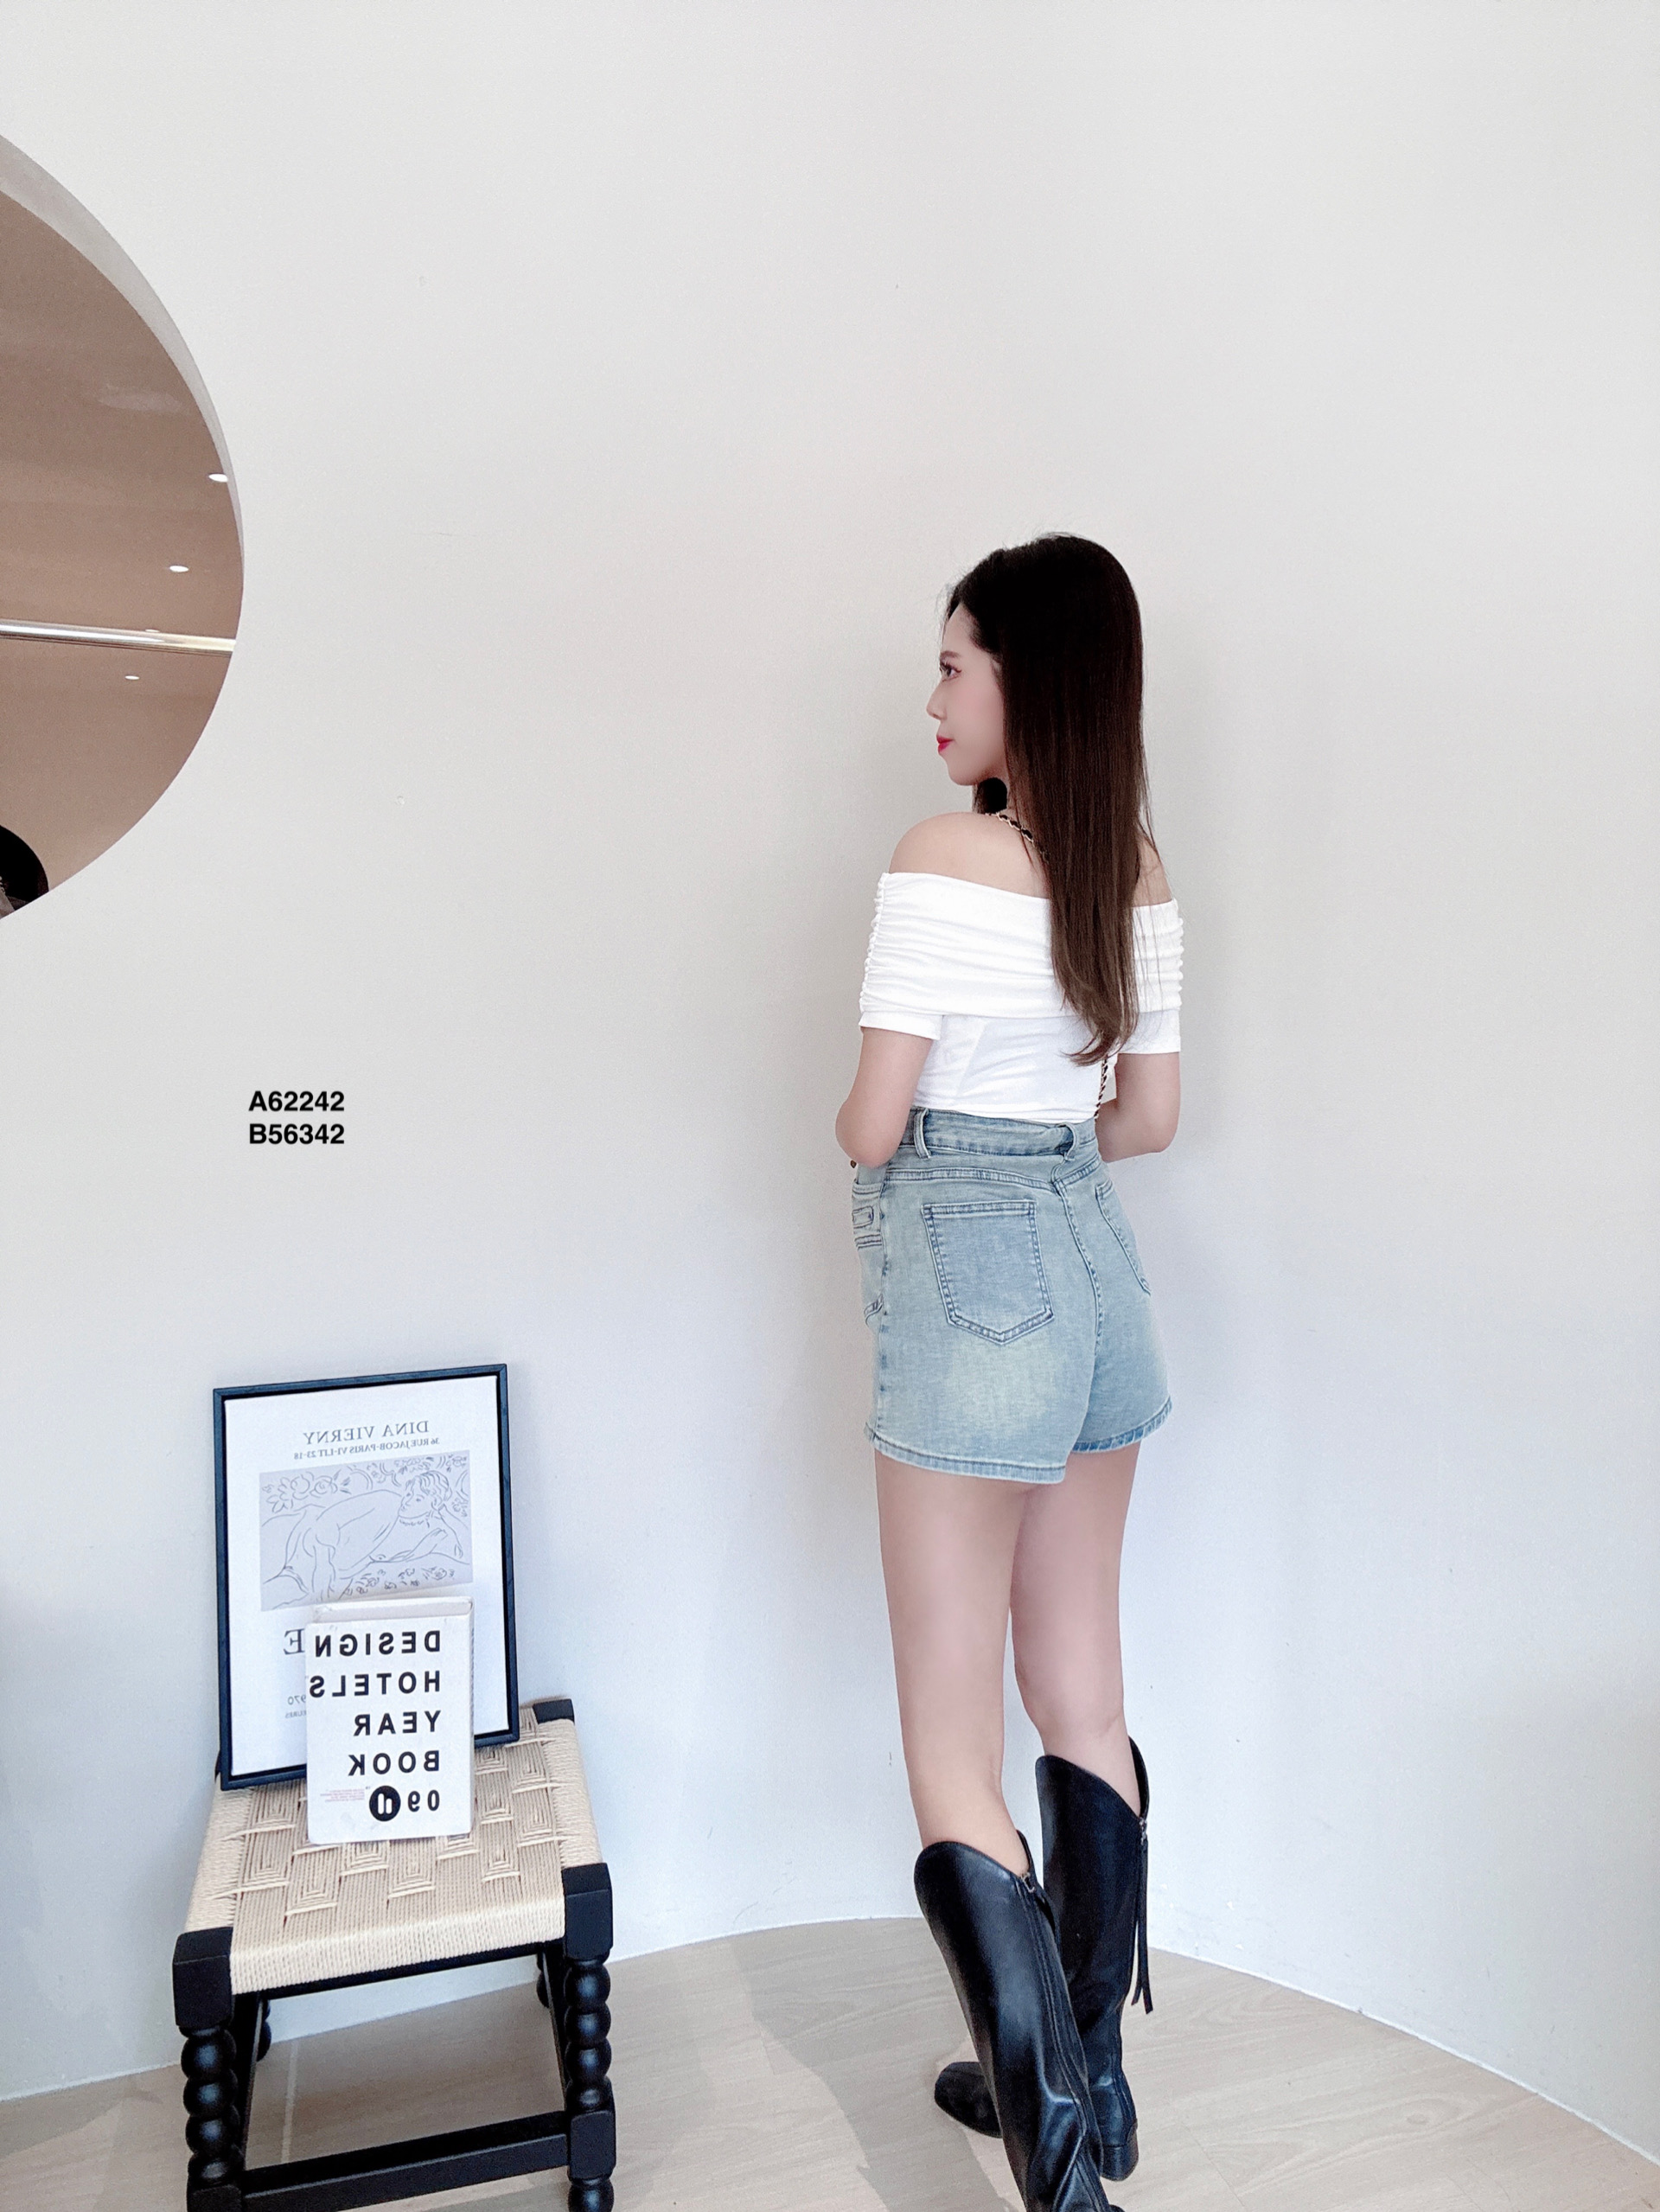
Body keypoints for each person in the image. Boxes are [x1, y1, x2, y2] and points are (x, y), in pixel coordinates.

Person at [833, 535, 1182, 2212]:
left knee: (951, 1740)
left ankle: (1061, 2178)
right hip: (1098, 1270)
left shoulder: (939, 856)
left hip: (969, 1264)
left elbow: (873, 1121)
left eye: (955, 663)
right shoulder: (1137, 868)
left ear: (1025, 680)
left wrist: (890, 1138)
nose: (935, 694)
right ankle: (1090, 2086)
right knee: (1084, 1695)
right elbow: (1149, 1118)